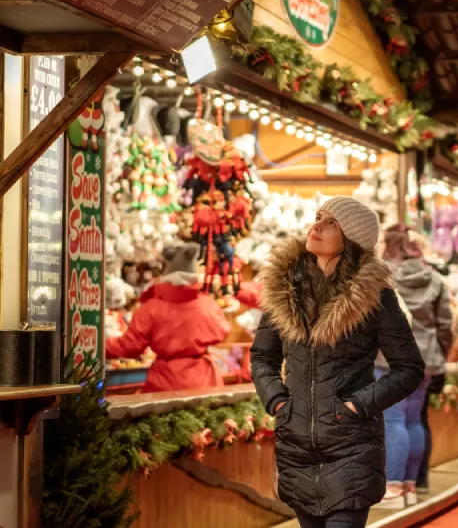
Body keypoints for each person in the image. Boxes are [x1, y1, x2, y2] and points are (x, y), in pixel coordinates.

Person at [251, 197, 425, 528]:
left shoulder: (374, 296)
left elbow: (409, 367)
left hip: (352, 447)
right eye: (318, 217)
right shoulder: (284, 291)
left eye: (331, 222)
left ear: (352, 239)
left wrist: (359, 405)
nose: (317, 225)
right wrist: (276, 401)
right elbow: (262, 355)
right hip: (297, 448)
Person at [378, 224, 453, 507]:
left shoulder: (382, 276)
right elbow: (445, 325)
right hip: (426, 360)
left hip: (390, 359)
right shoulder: (433, 278)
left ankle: (394, 489)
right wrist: (437, 354)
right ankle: (410, 486)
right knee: (412, 420)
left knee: (393, 420)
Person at [106, 243, 231, 392]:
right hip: (205, 382)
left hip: (165, 383)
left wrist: (98, 347)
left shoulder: (150, 308)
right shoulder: (208, 305)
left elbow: (129, 347)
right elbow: (223, 331)